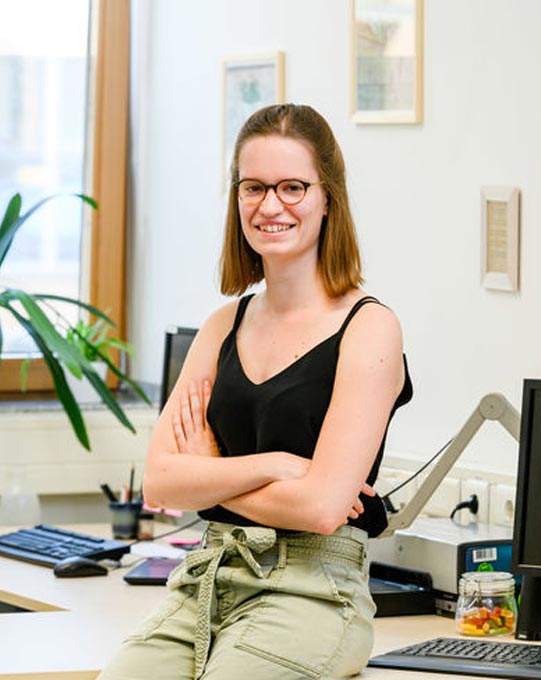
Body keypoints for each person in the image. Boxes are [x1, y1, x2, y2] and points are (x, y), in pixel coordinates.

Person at [97, 103, 412, 680]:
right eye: (254, 187)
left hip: (313, 593)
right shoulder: (224, 325)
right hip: (211, 579)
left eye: (292, 186)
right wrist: (278, 467)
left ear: (327, 197)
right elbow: (163, 481)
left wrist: (211, 471)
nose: (270, 205)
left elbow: (320, 511)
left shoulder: (369, 328)